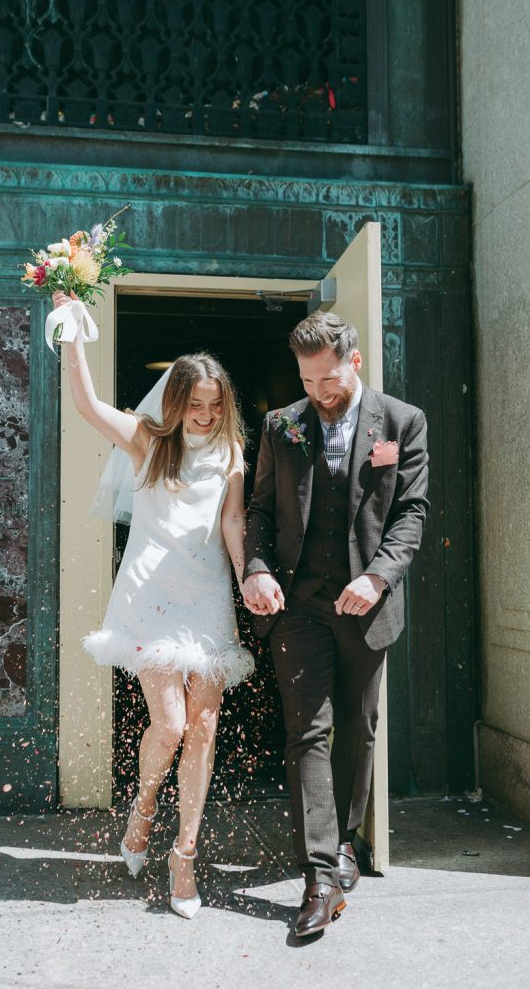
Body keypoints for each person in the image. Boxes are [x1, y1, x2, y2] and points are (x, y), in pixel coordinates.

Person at [52, 291, 254, 920]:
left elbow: (234, 522)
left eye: (214, 406)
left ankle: (184, 855)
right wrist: (72, 330)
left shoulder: (232, 454)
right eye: (194, 405)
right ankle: (142, 811)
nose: (204, 415)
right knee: (168, 724)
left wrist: (248, 578)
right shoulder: (146, 441)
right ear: (174, 403)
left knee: (205, 726)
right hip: (151, 595)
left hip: (208, 595)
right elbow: (85, 405)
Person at [242, 310, 428, 937]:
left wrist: (376, 576)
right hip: (298, 604)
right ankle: (319, 875)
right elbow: (260, 511)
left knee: (358, 724)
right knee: (308, 732)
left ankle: (346, 836)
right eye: (308, 382)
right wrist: (256, 570)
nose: (319, 394)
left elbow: (410, 513)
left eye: (329, 381)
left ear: (354, 362)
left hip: (364, 602)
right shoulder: (280, 425)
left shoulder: (402, 423)